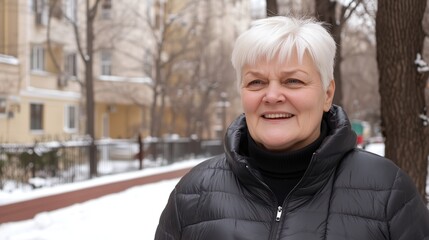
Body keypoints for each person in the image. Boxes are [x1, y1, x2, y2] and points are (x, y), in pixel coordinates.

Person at [155, 16, 429, 240]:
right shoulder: (194, 193)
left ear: (327, 94)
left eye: (293, 81)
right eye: (256, 83)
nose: (272, 96)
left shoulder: (388, 192)